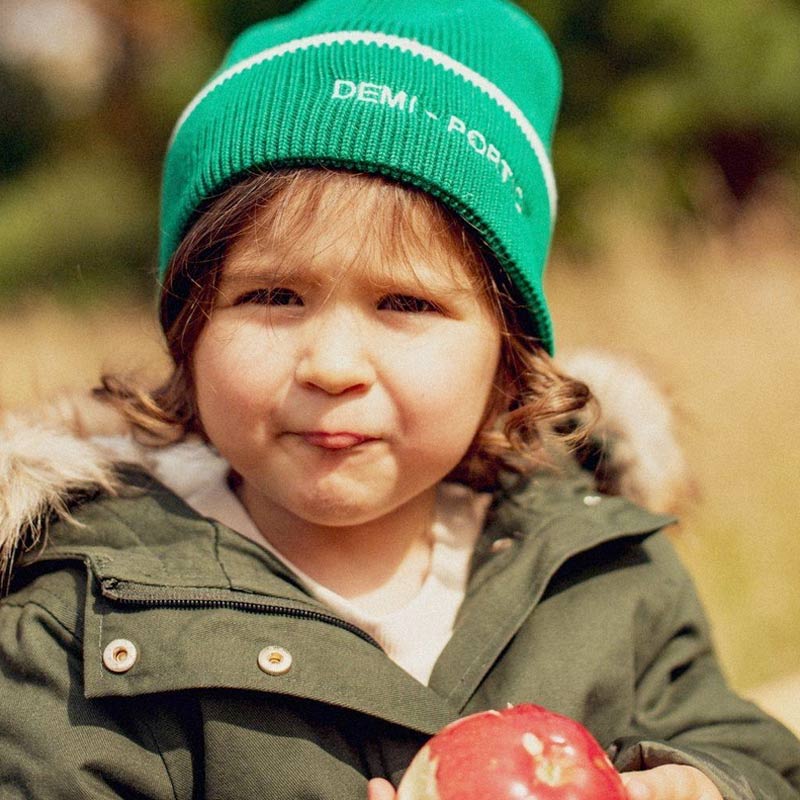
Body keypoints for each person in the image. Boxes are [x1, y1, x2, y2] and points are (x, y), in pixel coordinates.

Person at [1, 0, 799, 797]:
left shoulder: (598, 572)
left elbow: (751, 756)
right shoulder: (84, 616)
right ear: (189, 331)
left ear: (507, 357)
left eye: (406, 304)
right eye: (274, 296)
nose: (335, 365)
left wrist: (700, 786)